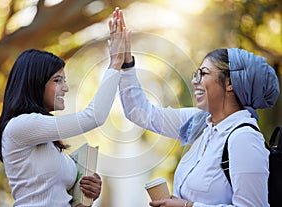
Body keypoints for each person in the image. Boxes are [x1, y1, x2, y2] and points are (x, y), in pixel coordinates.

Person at [111, 8, 280, 207]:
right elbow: (141, 113)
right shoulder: (200, 124)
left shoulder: (244, 139)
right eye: (195, 74)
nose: (194, 81)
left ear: (230, 83)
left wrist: (187, 206)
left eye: (204, 74)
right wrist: (125, 64)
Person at [0, 15, 127, 206]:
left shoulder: (51, 144)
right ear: (35, 83)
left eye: (65, 80)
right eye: (57, 80)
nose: (65, 88)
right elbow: (93, 117)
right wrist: (115, 63)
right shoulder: (21, 125)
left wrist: (87, 194)